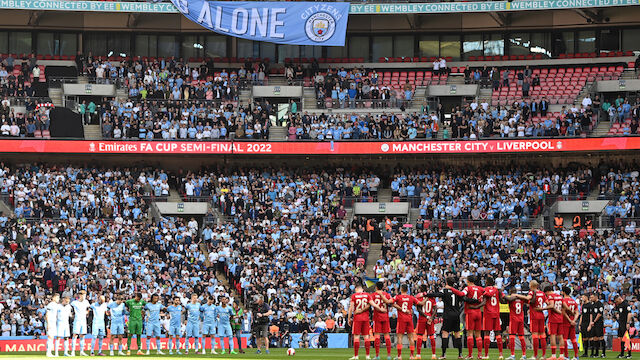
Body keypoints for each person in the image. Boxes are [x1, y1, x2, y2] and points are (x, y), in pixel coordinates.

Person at [447, 275, 484, 359]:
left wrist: (451, 288)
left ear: (468, 281)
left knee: (470, 333)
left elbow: (461, 294)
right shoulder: (480, 289)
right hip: (478, 312)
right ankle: (480, 355)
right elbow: (484, 296)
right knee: (478, 334)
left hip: (470, 312)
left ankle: (470, 355)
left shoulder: (468, 288)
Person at [516, 280, 547, 360]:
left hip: (534, 315)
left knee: (535, 335)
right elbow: (548, 303)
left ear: (532, 285)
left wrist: (518, 296)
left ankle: (535, 356)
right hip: (541, 315)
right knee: (543, 335)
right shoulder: (542, 293)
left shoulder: (532, 292)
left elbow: (528, 298)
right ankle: (544, 356)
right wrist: (543, 308)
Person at [393, 283, 425, 360]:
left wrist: (401, 309)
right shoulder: (411, 297)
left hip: (401, 319)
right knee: (410, 337)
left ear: (401, 289)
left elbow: (391, 303)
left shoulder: (398, 297)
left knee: (399, 337)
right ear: (407, 290)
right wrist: (426, 297)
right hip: (409, 319)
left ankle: (399, 356)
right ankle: (411, 356)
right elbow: (421, 303)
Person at [369, 281, 393, 360]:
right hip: (385, 316)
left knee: (377, 336)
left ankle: (377, 355)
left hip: (377, 317)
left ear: (376, 287)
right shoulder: (386, 294)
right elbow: (391, 302)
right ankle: (389, 355)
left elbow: (369, 303)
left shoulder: (373, 295)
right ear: (383, 287)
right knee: (387, 335)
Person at [481, 276, 503, 360]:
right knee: (497, 333)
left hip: (488, 314)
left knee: (487, 334)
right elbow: (502, 299)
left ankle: (486, 355)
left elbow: (484, 301)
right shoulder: (497, 290)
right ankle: (500, 354)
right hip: (496, 313)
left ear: (487, 282)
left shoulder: (485, 289)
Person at [348, 283, 372, 360]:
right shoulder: (367, 295)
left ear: (356, 289)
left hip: (357, 318)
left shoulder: (354, 296)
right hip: (365, 318)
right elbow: (369, 305)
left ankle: (356, 356)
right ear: (362, 289)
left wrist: (349, 318)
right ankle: (367, 356)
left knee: (356, 337)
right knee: (366, 337)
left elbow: (351, 308)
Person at [502, 287, 527, 360]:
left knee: (512, 336)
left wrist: (502, 294)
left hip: (514, 319)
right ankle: (524, 355)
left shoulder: (510, 298)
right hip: (521, 319)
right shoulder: (521, 298)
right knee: (521, 337)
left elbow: (503, 301)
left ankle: (512, 355)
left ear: (510, 291)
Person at [415, 284, 438, 360]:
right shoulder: (431, 297)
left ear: (421, 289)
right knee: (431, 336)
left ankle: (418, 355)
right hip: (430, 319)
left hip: (422, 318)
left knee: (419, 336)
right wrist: (431, 317)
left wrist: (426, 316)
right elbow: (435, 308)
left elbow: (419, 309)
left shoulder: (419, 297)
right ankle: (434, 355)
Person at [544, 285, 565, 360]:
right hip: (560, 318)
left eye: (546, 294)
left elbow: (552, 306)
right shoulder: (560, 296)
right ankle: (561, 355)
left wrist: (542, 308)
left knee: (552, 336)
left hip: (553, 319)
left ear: (547, 292)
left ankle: (553, 356)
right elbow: (563, 307)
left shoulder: (550, 296)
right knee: (560, 337)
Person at [561, 286, 579, 360]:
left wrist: (570, 321)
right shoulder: (573, 301)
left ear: (564, 292)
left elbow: (564, 312)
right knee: (573, 339)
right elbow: (577, 313)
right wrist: (574, 320)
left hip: (565, 322)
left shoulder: (563, 301)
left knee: (564, 339)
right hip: (572, 322)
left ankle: (566, 356)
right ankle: (576, 356)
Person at [70, 290, 90, 356]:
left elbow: (88, 309)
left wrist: (87, 313)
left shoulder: (86, 302)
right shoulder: (74, 303)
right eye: (83, 295)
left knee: (82, 336)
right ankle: (73, 351)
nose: (84, 297)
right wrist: (72, 315)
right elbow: (70, 309)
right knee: (75, 335)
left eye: (85, 295)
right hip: (77, 320)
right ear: (80, 295)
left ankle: (81, 351)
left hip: (83, 321)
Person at [614, 294, 633, 359]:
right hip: (621, 324)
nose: (616, 303)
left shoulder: (626, 304)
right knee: (621, 338)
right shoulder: (619, 305)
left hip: (625, 323)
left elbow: (630, 314)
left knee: (627, 338)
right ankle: (622, 354)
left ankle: (629, 354)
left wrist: (628, 323)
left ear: (620, 299)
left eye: (617, 301)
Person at [589, 293, 605, 358]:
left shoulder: (600, 304)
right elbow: (591, 314)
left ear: (596, 297)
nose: (591, 299)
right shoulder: (592, 305)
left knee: (601, 337)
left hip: (599, 323)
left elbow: (599, 314)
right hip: (593, 324)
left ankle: (603, 353)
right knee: (595, 338)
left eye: (592, 297)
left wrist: (594, 321)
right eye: (590, 297)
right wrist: (591, 322)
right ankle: (596, 353)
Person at [579, 294, 593, 358]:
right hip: (583, 324)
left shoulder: (590, 305)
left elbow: (591, 315)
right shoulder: (583, 305)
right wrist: (580, 324)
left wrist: (590, 324)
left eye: (583, 297)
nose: (582, 298)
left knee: (590, 338)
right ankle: (585, 353)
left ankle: (592, 353)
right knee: (584, 338)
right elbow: (582, 315)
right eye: (582, 297)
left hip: (588, 323)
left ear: (586, 297)